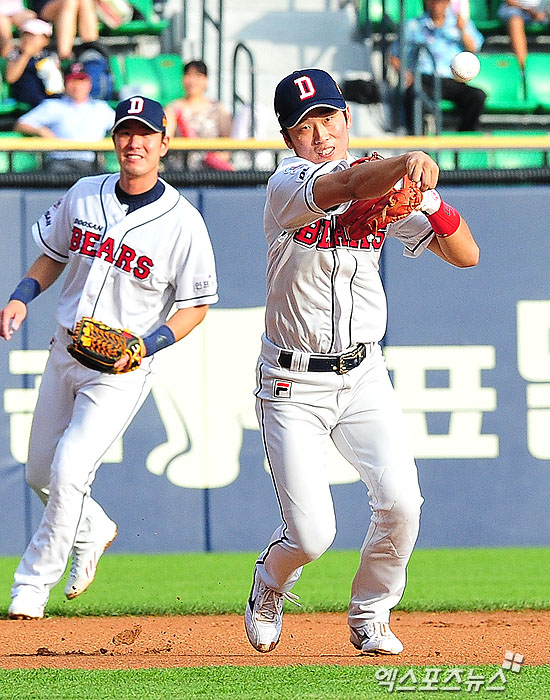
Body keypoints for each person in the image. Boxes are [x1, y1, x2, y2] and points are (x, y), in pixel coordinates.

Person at [243, 68, 479, 656]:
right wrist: (404, 164)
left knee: (402, 505)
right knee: (312, 535)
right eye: (304, 126)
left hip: (364, 375)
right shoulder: (288, 184)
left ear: (346, 118)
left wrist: (431, 202)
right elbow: (344, 186)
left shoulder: (379, 183)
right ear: (288, 138)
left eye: (328, 117)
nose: (320, 133)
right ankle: (270, 580)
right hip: (292, 382)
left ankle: (371, 613)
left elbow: (466, 255)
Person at [0, 95, 218, 620]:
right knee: (39, 473)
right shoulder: (83, 192)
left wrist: (148, 345)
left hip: (121, 369)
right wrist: (21, 296)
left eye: (145, 133)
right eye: (125, 131)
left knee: (70, 468)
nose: (133, 142)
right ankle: (92, 528)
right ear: (114, 139)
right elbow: (52, 256)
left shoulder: (183, 222)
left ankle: (32, 585)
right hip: (65, 350)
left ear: (164, 143)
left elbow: (196, 306)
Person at [389, 0, 486, 134]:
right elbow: (394, 55)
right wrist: (405, 74)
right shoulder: (413, 26)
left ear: (447, 1)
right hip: (425, 79)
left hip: (452, 79)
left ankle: (465, 139)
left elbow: (474, 48)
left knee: (477, 96)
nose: (436, 3)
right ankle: (417, 142)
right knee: (413, 95)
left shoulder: (460, 23)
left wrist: (462, 30)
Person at [15, 61, 115, 172]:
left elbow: (119, 127)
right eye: (72, 81)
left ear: (89, 84)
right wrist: (42, 131)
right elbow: (21, 123)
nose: (77, 86)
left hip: (92, 162)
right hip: (60, 162)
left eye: (81, 80)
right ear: (65, 84)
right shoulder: (53, 106)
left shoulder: (101, 108)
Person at [165, 59, 234, 172]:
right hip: (180, 171)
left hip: (211, 172)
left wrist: (218, 159)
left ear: (206, 80)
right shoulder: (173, 108)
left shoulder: (217, 108)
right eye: (188, 75)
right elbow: (167, 138)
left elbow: (228, 142)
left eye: (198, 75)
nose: (192, 80)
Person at [6, 17, 64, 106]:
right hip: (27, 99)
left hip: (50, 100)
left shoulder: (50, 56)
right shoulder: (16, 54)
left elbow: (57, 82)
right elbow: (11, 78)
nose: (28, 39)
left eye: (33, 36)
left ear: (45, 40)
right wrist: (26, 55)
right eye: (25, 35)